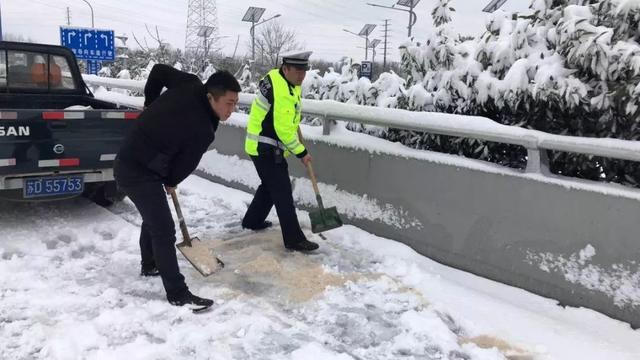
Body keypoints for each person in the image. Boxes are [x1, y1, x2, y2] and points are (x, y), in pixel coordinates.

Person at [114, 64, 241, 307]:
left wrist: (150, 104)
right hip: (136, 169)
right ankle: (177, 292)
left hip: (135, 159)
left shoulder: (190, 83)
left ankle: (150, 264)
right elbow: (185, 165)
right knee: (163, 227)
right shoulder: (202, 129)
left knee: (154, 216)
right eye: (228, 103)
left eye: (235, 104)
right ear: (210, 96)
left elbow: (159, 71)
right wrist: (171, 181)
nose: (231, 110)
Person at [241, 51, 319, 252]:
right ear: (286, 68)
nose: (302, 76)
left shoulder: (283, 81)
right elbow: (283, 129)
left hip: (260, 144)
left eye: (304, 71)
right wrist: (302, 153)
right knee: (282, 191)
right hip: (265, 147)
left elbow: (286, 118)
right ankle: (294, 239)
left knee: (269, 186)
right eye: (298, 71)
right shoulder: (282, 90)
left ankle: (252, 221)